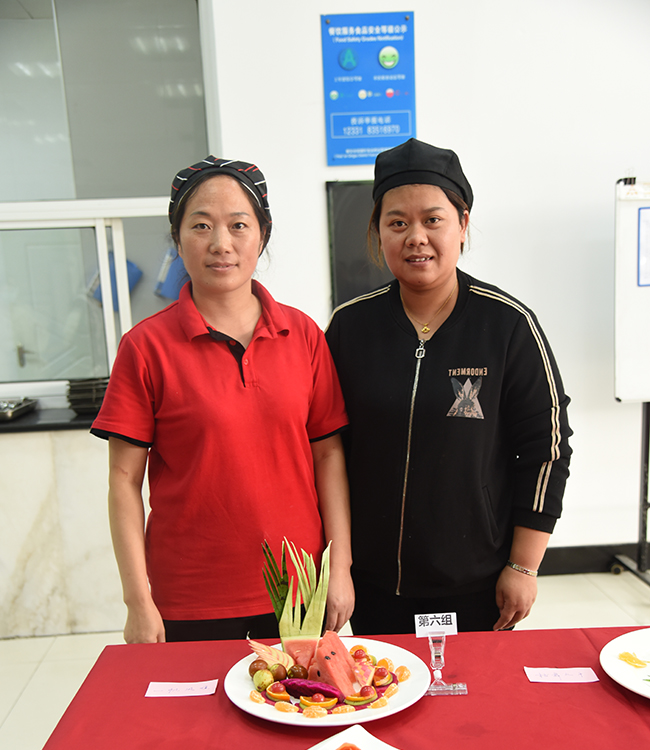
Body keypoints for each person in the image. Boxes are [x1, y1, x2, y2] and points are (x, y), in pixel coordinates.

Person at [92, 155, 354, 643]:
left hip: (299, 592)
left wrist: (339, 567)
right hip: (189, 596)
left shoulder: (303, 335)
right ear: (177, 239)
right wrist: (137, 601)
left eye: (238, 225)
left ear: (262, 235)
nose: (221, 244)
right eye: (201, 226)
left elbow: (328, 456)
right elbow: (123, 480)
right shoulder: (145, 347)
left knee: (301, 694)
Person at [325, 138, 572, 633]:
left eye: (432, 219)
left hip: (477, 580)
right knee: (385, 679)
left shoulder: (508, 325)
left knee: (470, 684)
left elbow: (546, 449)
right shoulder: (349, 328)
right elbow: (327, 450)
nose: (416, 237)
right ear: (377, 232)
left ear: (462, 225)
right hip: (372, 581)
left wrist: (524, 566)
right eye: (397, 223)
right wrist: (339, 566)